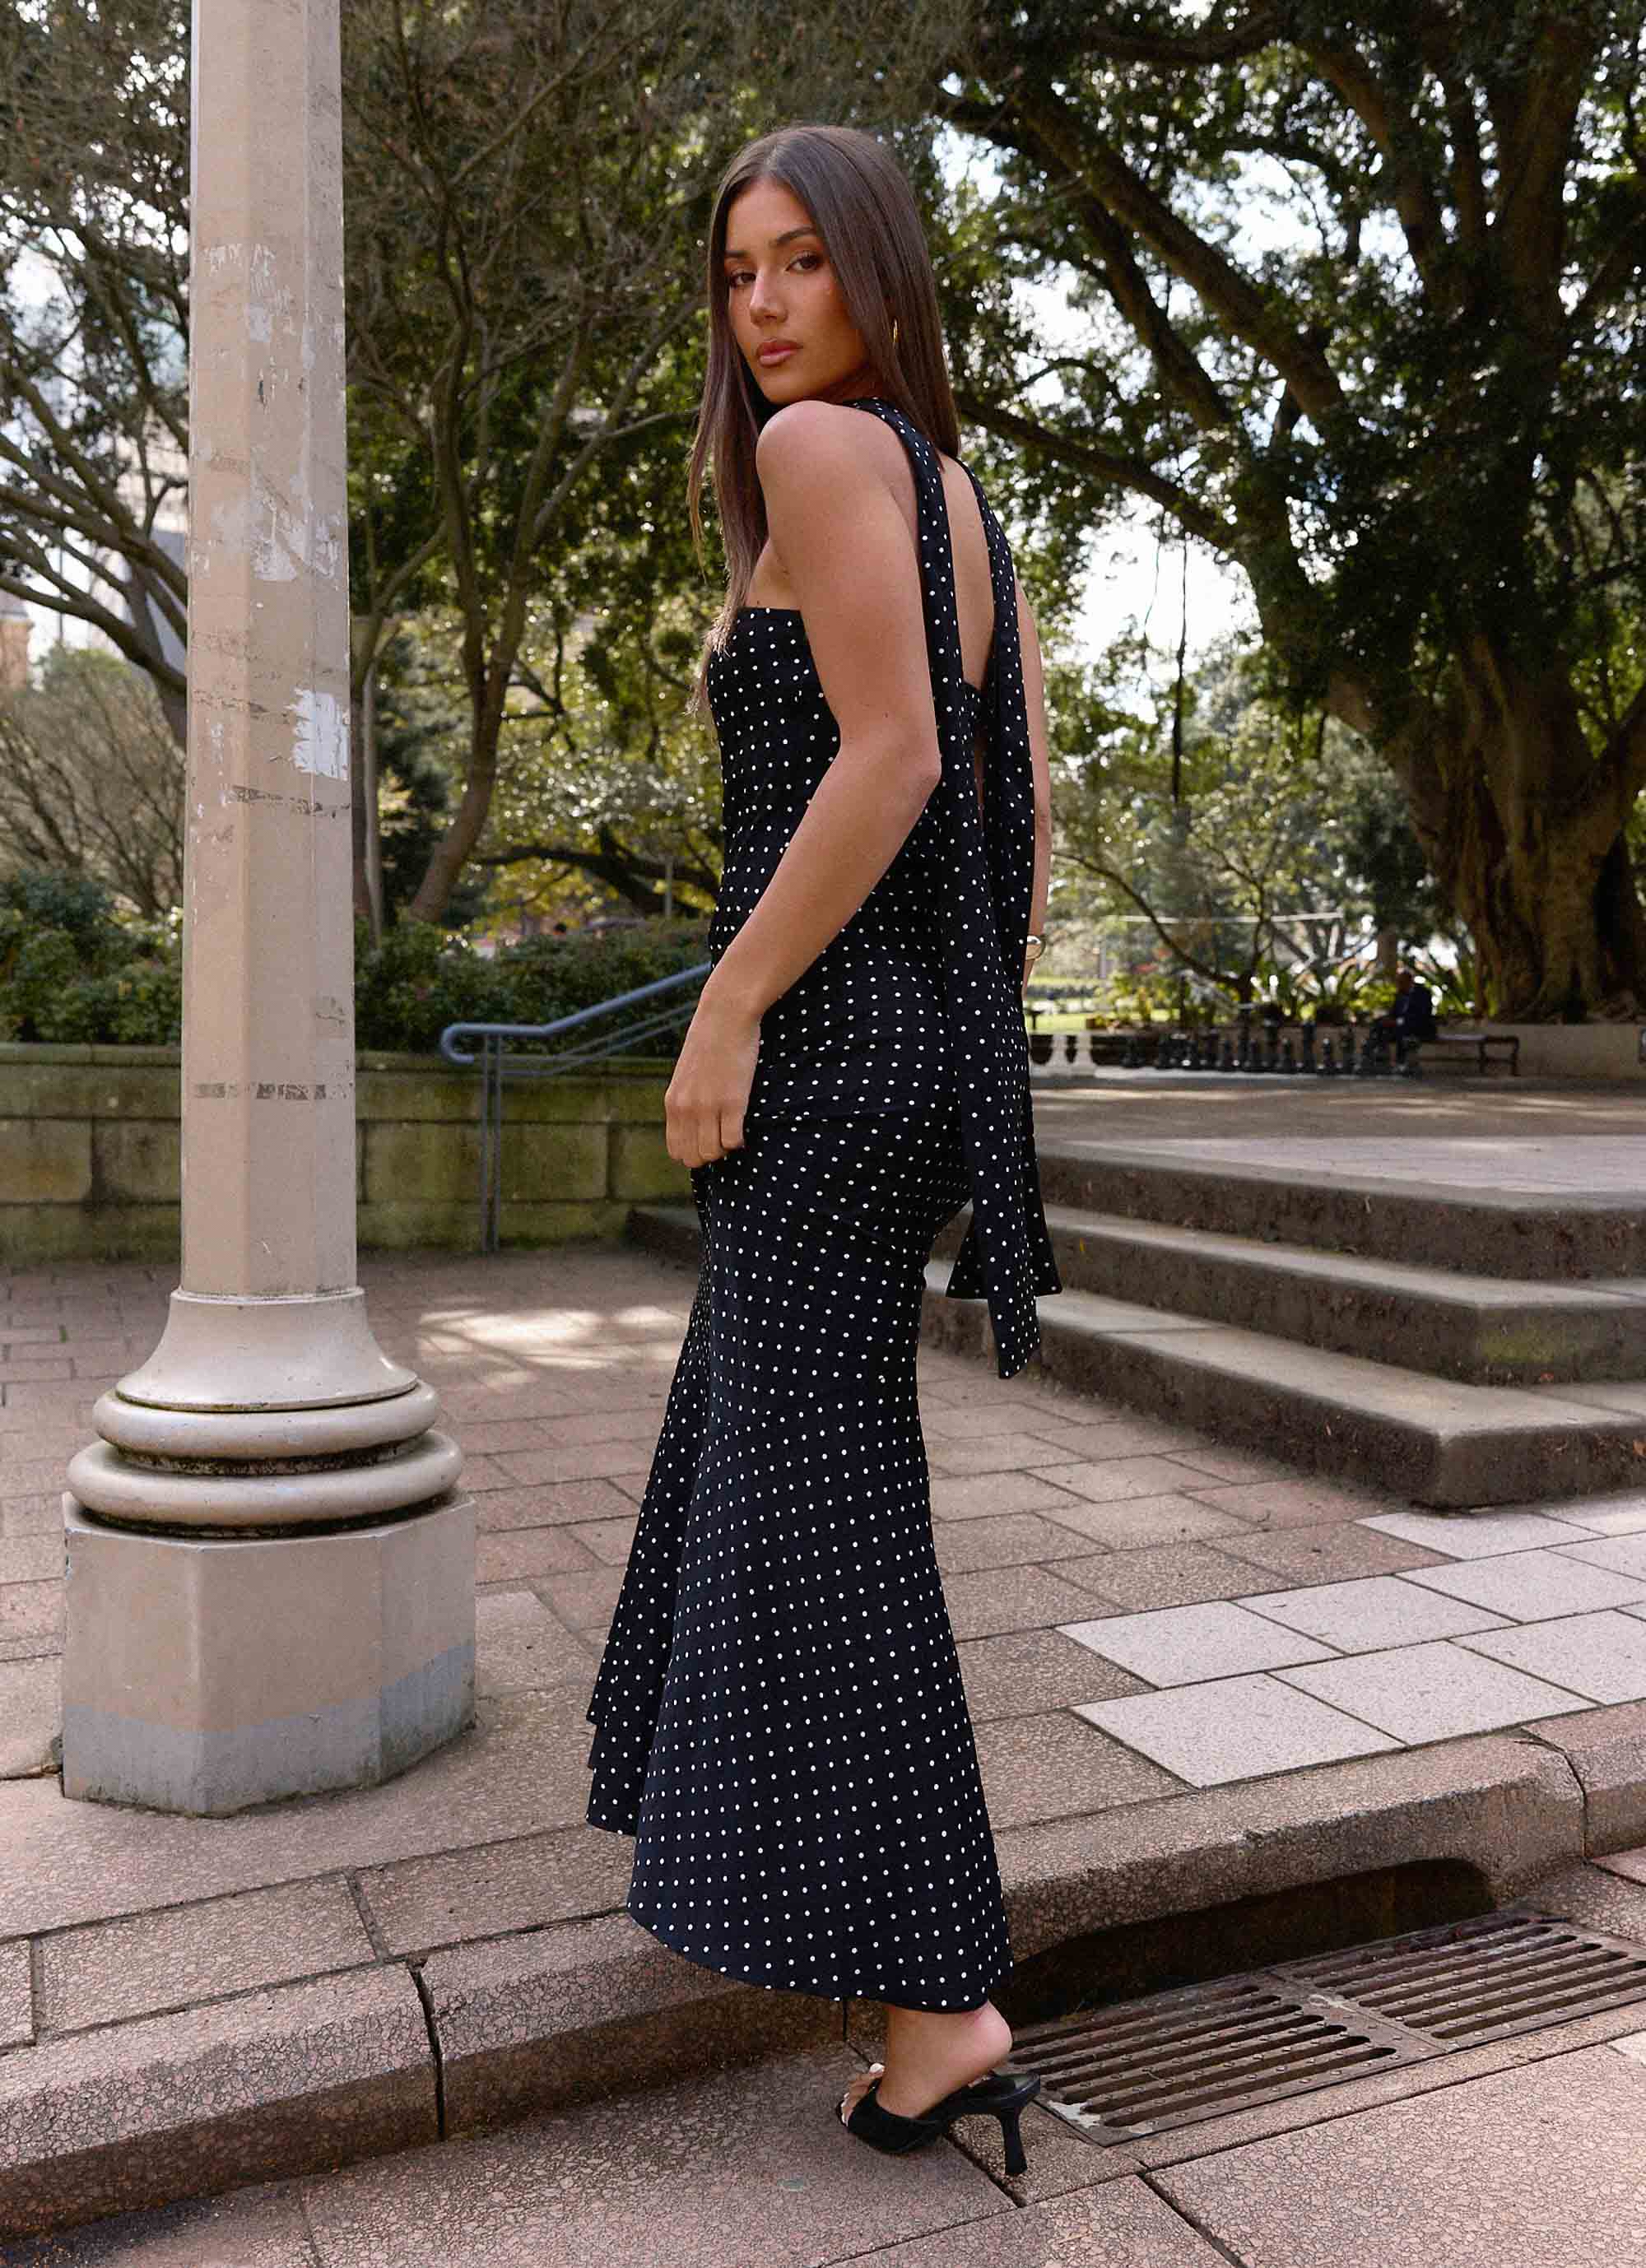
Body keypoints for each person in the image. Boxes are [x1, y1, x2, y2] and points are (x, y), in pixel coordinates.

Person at [582, 122, 1062, 2178]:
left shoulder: (817, 455)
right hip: (904, 1058)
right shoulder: (951, 491)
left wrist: (731, 1005)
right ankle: (907, 1984)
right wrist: (947, 1051)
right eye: (736, 270)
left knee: (822, 1515)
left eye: (799, 259)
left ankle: (942, 2006)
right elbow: (1015, 823)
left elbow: (893, 758)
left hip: (823, 1058)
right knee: (799, 1480)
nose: (764, 302)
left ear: (874, 268)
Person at [1370, 964, 1438, 1058]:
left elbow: (1421, 1016)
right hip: (1401, 1024)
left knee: (1401, 1031)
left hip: (1419, 1026)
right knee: (1378, 1024)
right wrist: (1387, 1019)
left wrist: (1397, 1022)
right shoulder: (1400, 994)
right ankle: (1378, 1056)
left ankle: (1401, 1061)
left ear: (1409, 981)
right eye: (1398, 982)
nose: (1399, 985)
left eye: (1401, 982)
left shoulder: (1423, 993)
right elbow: (1394, 1012)